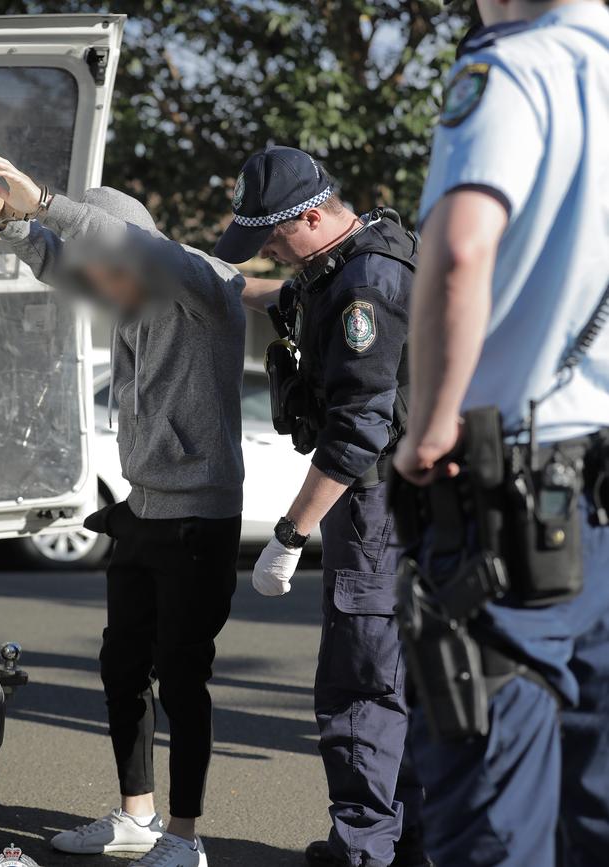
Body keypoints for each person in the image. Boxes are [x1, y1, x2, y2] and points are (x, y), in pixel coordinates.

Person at [0, 152, 246, 867]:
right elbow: (62, 263)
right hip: (140, 513)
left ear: (139, 255)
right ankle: (136, 818)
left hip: (198, 519)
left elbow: (122, 249)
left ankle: (186, 839)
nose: (97, 283)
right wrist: (12, 224)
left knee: (183, 677)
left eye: (108, 264)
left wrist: (49, 200)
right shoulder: (128, 298)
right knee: (123, 668)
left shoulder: (201, 289)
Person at [392, 1, 609, 865]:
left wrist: (428, 426)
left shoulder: (514, 66)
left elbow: (459, 252)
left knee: (495, 818)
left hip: (513, 502)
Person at [215, 145, 430, 867]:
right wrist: (220, 279)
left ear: (311, 214)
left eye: (275, 236)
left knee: (362, 681)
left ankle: (365, 848)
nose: (272, 249)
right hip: (402, 503)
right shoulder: (347, 261)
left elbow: (360, 427)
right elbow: (285, 295)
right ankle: (406, 841)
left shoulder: (364, 287)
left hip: (375, 505)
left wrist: (289, 532)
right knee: (403, 679)